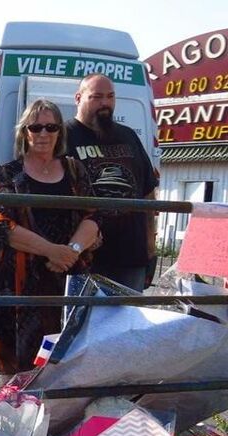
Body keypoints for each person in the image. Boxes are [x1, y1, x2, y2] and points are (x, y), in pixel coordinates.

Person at [0, 99, 101, 377]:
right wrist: (53, 251)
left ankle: (57, 420)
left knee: (67, 364)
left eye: (51, 127)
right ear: (24, 132)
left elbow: (94, 216)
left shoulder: (75, 170)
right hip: (20, 282)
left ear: (59, 132)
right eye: (35, 127)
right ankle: (17, 419)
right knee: (18, 371)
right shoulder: (8, 173)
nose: (43, 134)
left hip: (67, 277)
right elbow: (2, 224)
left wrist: (70, 251)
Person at [65, 73, 158, 291]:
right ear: (78, 98)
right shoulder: (64, 136)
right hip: (85, 253)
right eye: (97, 97)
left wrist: (150, 240)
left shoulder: (128, 136)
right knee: (80, 321)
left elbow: (147, 191)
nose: (105, 103)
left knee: (130, 322)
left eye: (110, 96)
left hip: (130, 253)